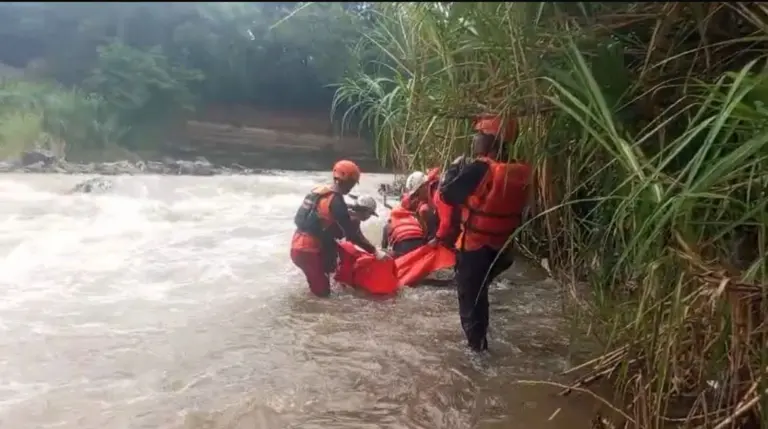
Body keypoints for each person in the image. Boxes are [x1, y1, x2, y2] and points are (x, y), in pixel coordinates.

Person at [434, 118, 533, 351]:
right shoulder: (523, 170)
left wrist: (453, 169)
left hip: (475, 247)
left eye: (479, 135)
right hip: (502, 250)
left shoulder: (480, 168)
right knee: (480, 294)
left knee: (470, 302)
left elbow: (447, 195)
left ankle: (476, 352)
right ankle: (481, 339)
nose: (474, 140)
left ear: (492, 140)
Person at [291, 160, 388, 297]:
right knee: (323, 296)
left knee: (320, 282)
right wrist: (375, 252)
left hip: (297, 245)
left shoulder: (320, 192)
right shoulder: (337, 201)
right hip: (309, 250)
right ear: (347, 181)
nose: (352, 187)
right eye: (353, 183)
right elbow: (352, 236)